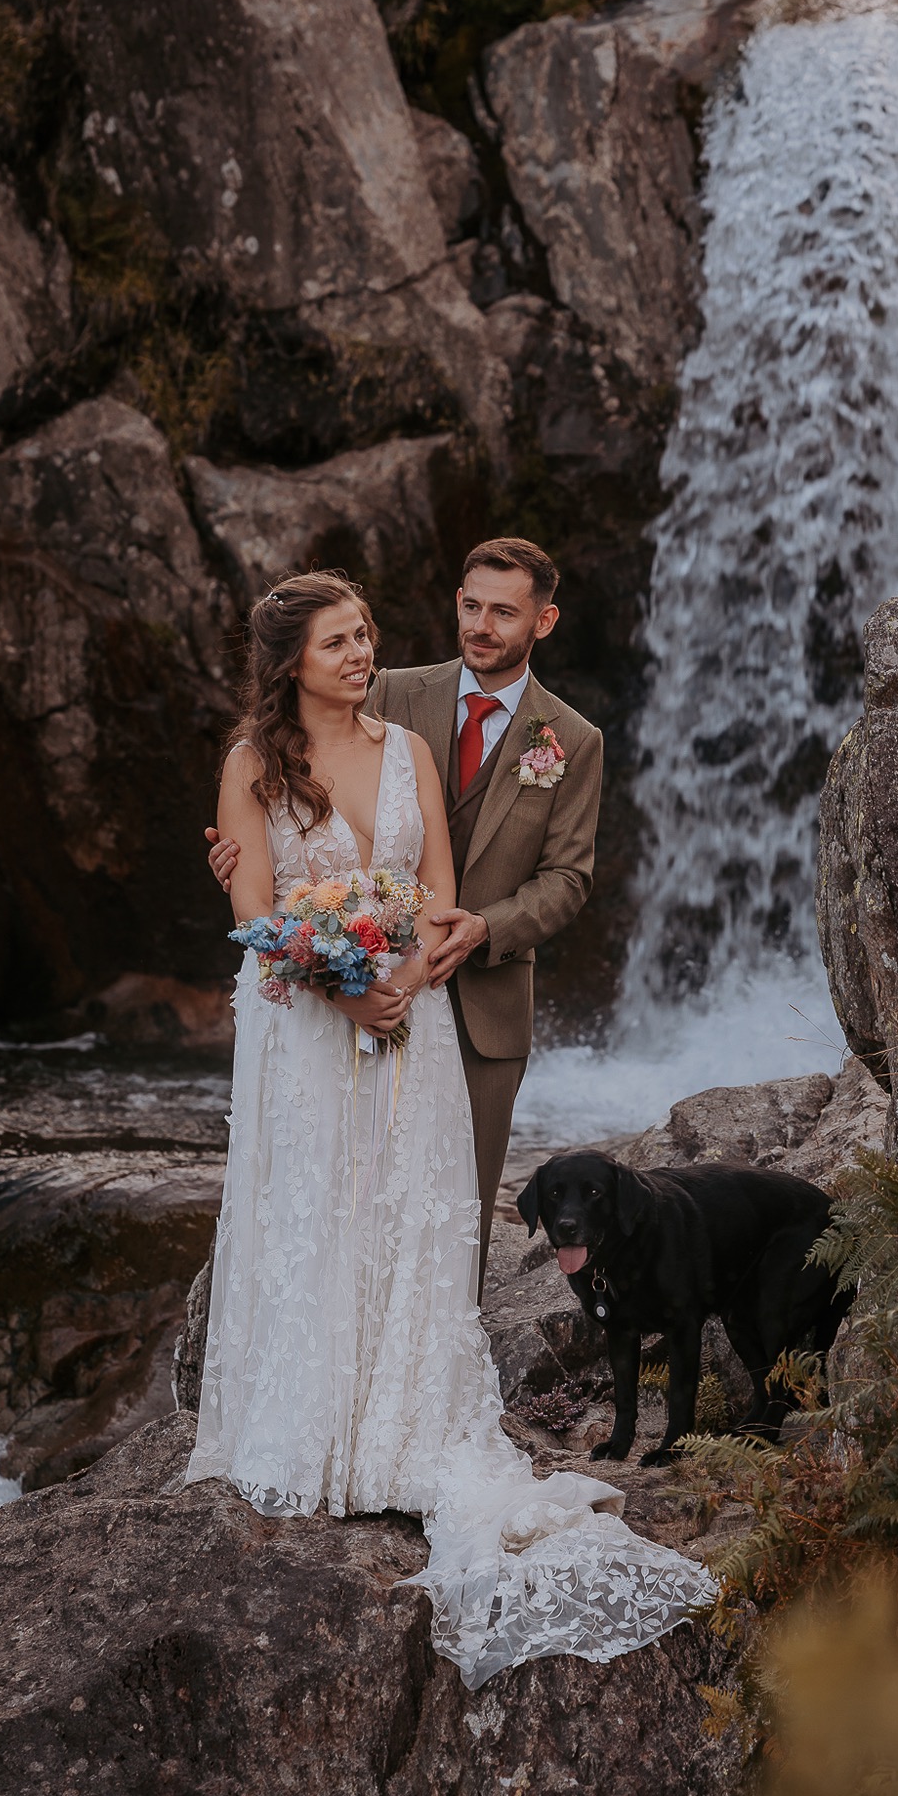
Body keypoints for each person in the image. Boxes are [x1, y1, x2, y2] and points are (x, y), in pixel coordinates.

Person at [186, 570, 713, 1688]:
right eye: (337, 640)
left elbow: (433, 886)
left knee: (403, 1212)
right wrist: (339, 989)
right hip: (304, 1031)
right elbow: (254, 917)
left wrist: (401, 978)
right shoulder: (248, 766)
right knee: (316, 1210)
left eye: (366, 633)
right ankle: (311, 1425)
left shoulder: (410, 748)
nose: (361, 652)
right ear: (290, 660)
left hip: (410, 1018)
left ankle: (401, 1425)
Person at [208, 538, 601, 1286]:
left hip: (476, 1002)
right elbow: (275, 836)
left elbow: (569, 878)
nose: (481, 625)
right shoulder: (384, 689)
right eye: (470, 605)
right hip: (324, 997)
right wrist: (236, 860)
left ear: (542, 622)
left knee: (450, 1218)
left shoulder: (572, 741)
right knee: (317, 1209)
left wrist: (483, 929)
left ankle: (423, 1379)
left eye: (503, 613)